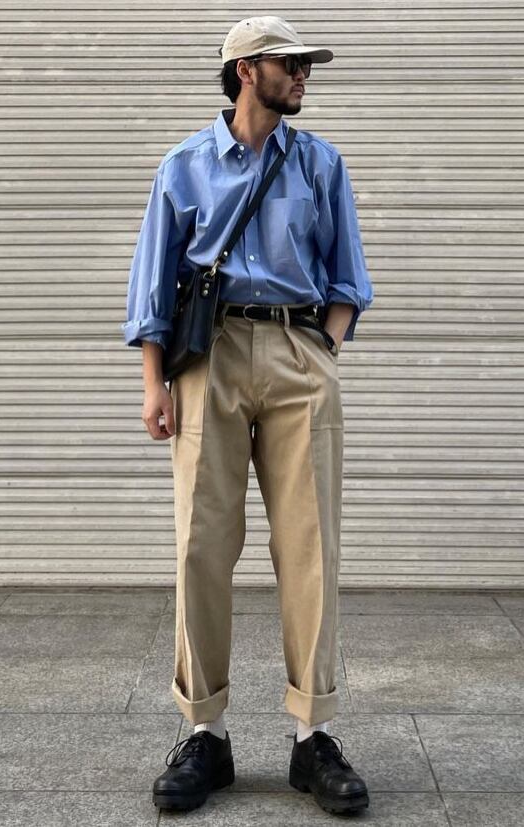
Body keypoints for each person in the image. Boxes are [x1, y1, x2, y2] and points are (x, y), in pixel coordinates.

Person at [122, 15, 374, 816]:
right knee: (201, 544)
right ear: (244, 72)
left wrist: (323, 349)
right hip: (212, 357)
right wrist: (154, 384)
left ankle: (312, 736)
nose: (302, 74)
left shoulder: (320, 162)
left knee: (310, 548)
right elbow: (152, 284)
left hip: (300, 352)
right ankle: (206, 732)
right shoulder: (184, 165)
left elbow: (347, 275)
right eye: (287, 63)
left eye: (304, 64)